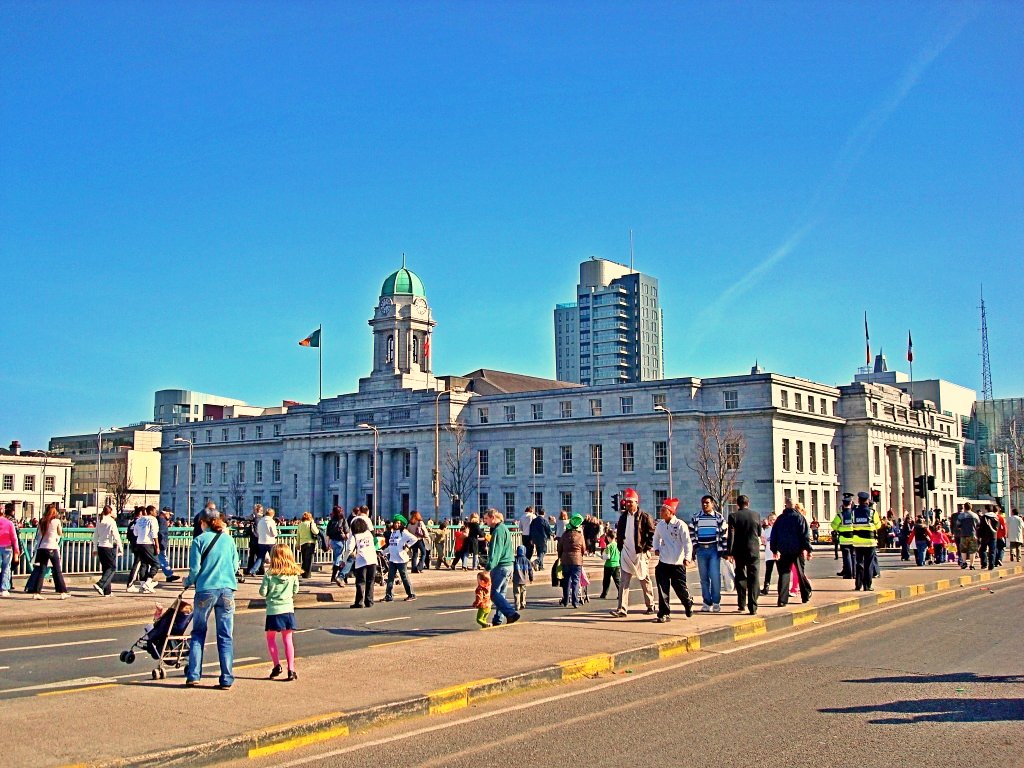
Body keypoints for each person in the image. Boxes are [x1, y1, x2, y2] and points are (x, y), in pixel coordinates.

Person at [184, 507, 239, 689]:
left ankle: (193, 675)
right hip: (227, 590)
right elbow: (236, 565)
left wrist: (188, 582)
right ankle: (226, 678)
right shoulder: (229, 540)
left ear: (202, 523)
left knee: (198, 632)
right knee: (225, 636)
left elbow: (194, 570)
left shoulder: (198, 540)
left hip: (205, 589)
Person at [259, 543, 301, 682]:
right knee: (288, 640)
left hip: (273, 610)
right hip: (288, 609)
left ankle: (277, 665)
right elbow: (296, 591)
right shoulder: (293, 573)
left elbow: (263, 592)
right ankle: (291, 669)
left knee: (271, 638)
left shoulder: (269, 574)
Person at [611, 488, 656, 617]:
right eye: (627, 502)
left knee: (644, 579)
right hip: (626, 552)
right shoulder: (623, 517)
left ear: (637, 502)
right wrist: (620, 547)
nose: (628, 504)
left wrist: (647, 548)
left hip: (640, 553)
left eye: (631, 502)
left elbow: (652, 533)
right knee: (624, 582)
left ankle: (650, 605)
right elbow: (619, 533)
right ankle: (622, 609)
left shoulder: (644, 516)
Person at [652, 498, 693, 623]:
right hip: (664, 561)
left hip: (677, 562)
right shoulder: (660, 525)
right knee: (662, 587)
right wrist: (656, 548)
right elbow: (656, 538)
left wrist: (687, 557)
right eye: (661, 510)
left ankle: (687, 602)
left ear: (670, 512)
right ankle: (664, 613)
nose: (661, 512)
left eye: (663, 510)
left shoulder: (680, 525)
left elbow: (687, 542)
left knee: (679, 587)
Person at [770, 498, 813, 605]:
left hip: (783, 550)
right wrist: (808, 549)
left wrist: (774, 549)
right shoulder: (800, 518)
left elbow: (773, 535)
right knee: (800, 572)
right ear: (794, 506)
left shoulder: (780, 519)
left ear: (786, 505)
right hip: (797, 550)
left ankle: (782, 600)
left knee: (784, 574)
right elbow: (805, 535)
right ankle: (805, 595)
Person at [690, 495, 727, 612]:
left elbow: (724, 534)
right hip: (701, 550)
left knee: (715, 576)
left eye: (707, 503)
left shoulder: (719, 518)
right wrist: (695, 547)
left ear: (712, 504)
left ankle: (716, 602)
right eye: (703, 503)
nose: (704, 505)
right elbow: (691, 532)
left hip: (714, 550)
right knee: (704, 578)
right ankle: (706, 602)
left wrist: (724, 550)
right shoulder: (696, 517)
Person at [484, 509, 520, 625]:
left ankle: (510, 613)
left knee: (493, 593)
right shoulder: (504, 528)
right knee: (501, 593)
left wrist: (488, 568)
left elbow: (496, 552)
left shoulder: (498, 531)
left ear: (493, 518)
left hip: (501, 566)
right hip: (509, 565)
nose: (485, 521)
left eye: (486, 518)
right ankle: (498, 619)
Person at [727, 495, 761, 615]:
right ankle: (753, 606)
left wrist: (729, 552)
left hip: (739, 550)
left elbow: (731, 535)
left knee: (740, 575)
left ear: (737, 504)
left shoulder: (733, 516)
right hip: (754, 549)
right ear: (748, 503)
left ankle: (742, 603)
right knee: (754, 576)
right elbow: (759, 532)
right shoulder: (756, 515)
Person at [28, 505, 68, 600]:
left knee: (42, 570)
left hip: (42, 548)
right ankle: (62, 592)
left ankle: (36, 592)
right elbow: (60, 533)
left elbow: (39, 534)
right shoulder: (56, 521)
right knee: (57, 570)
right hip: (52, 547)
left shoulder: (42, 521)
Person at [850, 491, 880, 591]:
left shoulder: (853, 512)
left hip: (857, 542)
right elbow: (878, 525)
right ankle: (867, 586)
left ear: (858, 500)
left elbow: (851, 524)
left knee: (859, 563)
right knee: (868, 564)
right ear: (867, 501)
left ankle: (858, 585)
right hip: (870, 543)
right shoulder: (872, 512)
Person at [127, 506, 162, 593]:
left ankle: (143, 586)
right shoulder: (153, 520)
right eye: (155, 511)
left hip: (139, 543)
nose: (156, 513)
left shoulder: (139, 520)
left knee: (144, 564)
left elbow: (135, 533)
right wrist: (157, 546)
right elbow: (154, 534)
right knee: (156, 564)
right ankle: (148, 581)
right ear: (151, 511)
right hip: (148, 543)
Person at [384, 515, 417, 602]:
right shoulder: (393, 533)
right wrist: (383, 552)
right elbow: (391, 546)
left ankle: (411, 594)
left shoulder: (403, 532)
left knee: (404, 577)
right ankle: (388, 596)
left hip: (401, 559)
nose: (397, 524)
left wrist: (407, 547)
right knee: (390, 577)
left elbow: (414, 539)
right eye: (396, 523)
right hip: (392, 559)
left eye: (399, 523)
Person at [92, 505, 123, 597]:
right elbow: (116, 536)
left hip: (100, 547)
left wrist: (94, 548)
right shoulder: (111, 521)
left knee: (106, 569)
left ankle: (107, 591)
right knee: (112, 567)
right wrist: (120, 547)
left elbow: (95, 536)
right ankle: (100, 584)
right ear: (110, 512)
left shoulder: (99, 521)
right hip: (108, 547)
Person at [557, 513, 586, 609]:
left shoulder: (564, 535)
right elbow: (583, 549)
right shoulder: (580, 536)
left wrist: (560, 557)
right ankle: (575, 601)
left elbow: (559, 547)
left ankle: (565, 601)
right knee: (575, 581)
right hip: (577, 561)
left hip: (565, 560)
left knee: (566, 581)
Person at [349, 514, 377, 608]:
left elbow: (349, 549)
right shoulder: (369, 534)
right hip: (372, 559)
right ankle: (369, 601)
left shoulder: (355, 536)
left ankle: (359, 602)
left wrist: (344, 559)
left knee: (361, 582)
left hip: (361, 560)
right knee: (371, 581)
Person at [326, 505, 351, 586]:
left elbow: (327, 534)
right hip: (340, 542)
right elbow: (347, 533)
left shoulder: (331, 521)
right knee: (338, 560)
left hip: (333, 542)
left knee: (337, 559)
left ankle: (336, 577)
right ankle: (339, 577)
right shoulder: (343, 520)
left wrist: (328, 544)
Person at [248, 507, 278, 576]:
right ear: (272, 514)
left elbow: (258, 531)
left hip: (261, 541)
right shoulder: (271, 521)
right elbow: (274, 533)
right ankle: (276, 569)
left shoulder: (261, 521)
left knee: (260, 557)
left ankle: (253, 570)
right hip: (270, 541)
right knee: (273, 557)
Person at [0, 504, 21, 597]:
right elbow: (14, 537)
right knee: (6, 567)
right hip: (8, 547)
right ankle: (4, 588)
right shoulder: (9, 523)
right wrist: (17, 549)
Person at [833, 494, 856, 579]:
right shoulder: (854, 514)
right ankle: (854, 574)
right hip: (853, 538)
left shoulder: (840, 515)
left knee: (846, 556)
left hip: (844, 539)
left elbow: (834, 526)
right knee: (853, 556)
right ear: (851, 503)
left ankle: (848, 574)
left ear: (843, 504)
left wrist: (839, 527)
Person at [156, 507, 181, 583]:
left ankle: (169, 574)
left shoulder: (158, 519)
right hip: (161, 544)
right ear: (165, 513)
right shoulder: (162, 521)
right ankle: (169, 575)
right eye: (169, 514)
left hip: (158, 543)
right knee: (162, 559)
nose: (170, 516)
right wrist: (162, 543)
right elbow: (161, 533)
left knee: (160, 559)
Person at [295, 512, 320, 579]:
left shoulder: (300, 525)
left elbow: (298, 535)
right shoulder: (310, 524)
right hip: (310, 542)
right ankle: (307, 574)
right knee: (309, 560)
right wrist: (313, 523)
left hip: (302, 543)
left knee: (304, 559)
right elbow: (316, 532)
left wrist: (297, 544)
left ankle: (303, 572)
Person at [957, 502, 980, 570]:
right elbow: (978, 525)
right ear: (971, 507)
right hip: (972, 534)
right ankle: (971, 565)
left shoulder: (961, 516)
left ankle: (964, 562)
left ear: (964, 507)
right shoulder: (975, 515)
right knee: (972, 550)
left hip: (963, 534)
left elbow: (958, 525)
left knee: (963, 549)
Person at [600, 531, 621, 600]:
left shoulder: (609, 546)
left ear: (609, 537)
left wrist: (602, 557)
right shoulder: (617, 545)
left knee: (606, 580)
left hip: (609, 565)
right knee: (617, 580)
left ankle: (604, 594)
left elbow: (607, 556)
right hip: (617, 564)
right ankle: (620, 593)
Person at [760, 512, 777, 595]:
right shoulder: (767, 530)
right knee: (768, 571)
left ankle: (782, 589)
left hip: (778, 553)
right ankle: (766, 588)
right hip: (769, 553)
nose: (772, 521)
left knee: (781, 572)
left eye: (774, 519)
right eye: (771, 520)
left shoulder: (780, 529)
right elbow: (764, 541)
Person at [512, 544, 533, 610]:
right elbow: (530, 570)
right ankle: (523, 603)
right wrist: (531, 578)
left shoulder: (515, 560)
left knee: (516, 592)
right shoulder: (527, 560)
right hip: (524, 579)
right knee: (523, 591)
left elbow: (512, 569)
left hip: (516, 579)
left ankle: (517, 605)